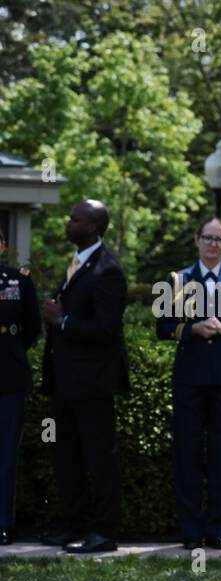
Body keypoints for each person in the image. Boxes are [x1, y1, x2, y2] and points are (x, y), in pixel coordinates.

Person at [156, 217, 221, 549]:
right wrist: (192, 329)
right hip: (190, 378)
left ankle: (217, 530)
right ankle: (190, 531)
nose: (213, 244)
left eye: (219, 239)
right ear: (197, 240)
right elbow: (163, 325)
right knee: (187, 453)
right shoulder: (179, 279)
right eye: (207, 238)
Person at [39, 199, 129, 554]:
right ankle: (73, 524)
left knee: (98, 458)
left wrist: (62, 321)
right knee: (66, 455)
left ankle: (103, 531)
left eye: (74, 218)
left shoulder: (108, 270)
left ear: (93, 227)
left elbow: (106, 328)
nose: (67, 222)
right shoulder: (77, 263)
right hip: (65, 383)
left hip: (93, 384)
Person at [0, 230, 41, 545]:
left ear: (3, 247)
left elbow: (32, 328)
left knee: (5, 456)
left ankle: (3, 523)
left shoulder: (18, 281)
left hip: (9, 376)